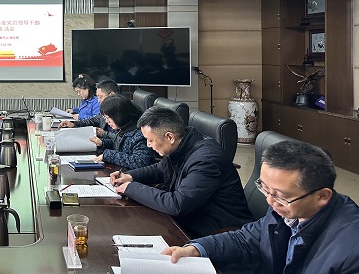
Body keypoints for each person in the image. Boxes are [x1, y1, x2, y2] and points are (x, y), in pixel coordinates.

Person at [163, 140, 359, 273]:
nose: (270, 202)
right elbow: (245, 238)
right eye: (265, 189)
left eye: (281, 196)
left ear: (322, 196)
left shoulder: (352, 251)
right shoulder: (286, 209)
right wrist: (196, 249)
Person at [111, 106, 252, 237]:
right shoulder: (181, 145)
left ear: (170, 137)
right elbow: (160, 169)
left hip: (219, 231)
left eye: (150, 140)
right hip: (195, 218)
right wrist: (130, 176)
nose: (148, 145)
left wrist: (131, 188)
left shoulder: (205, 160)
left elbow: (177, 204)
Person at [90, 94, 155, 170]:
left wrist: (108, 155)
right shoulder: (124, 127)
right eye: (105, 118)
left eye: (108, 118)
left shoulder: (140, 134)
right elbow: (120, 145)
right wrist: (102, 143)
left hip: (133, 175)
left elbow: (140, 162)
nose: (106, 121)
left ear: (119, 115)